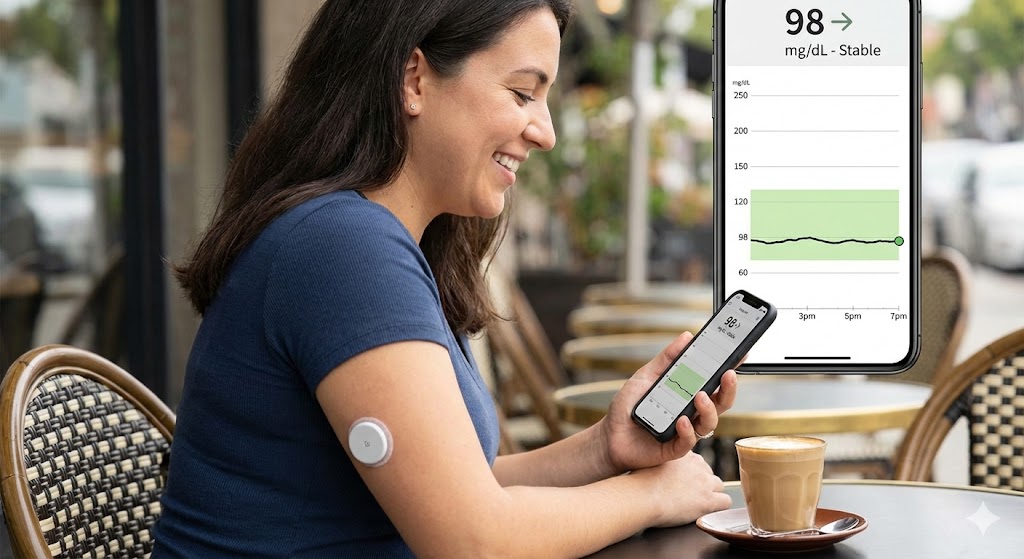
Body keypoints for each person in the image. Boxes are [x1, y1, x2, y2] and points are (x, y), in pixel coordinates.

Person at [152, 1, 738, 557]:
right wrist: (649, 495)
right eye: (522, 93)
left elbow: (459, 493)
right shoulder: (342, 248)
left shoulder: (367, 240)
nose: (546, 131)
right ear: (414, 80)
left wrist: (604, 450)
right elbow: (472, 542)